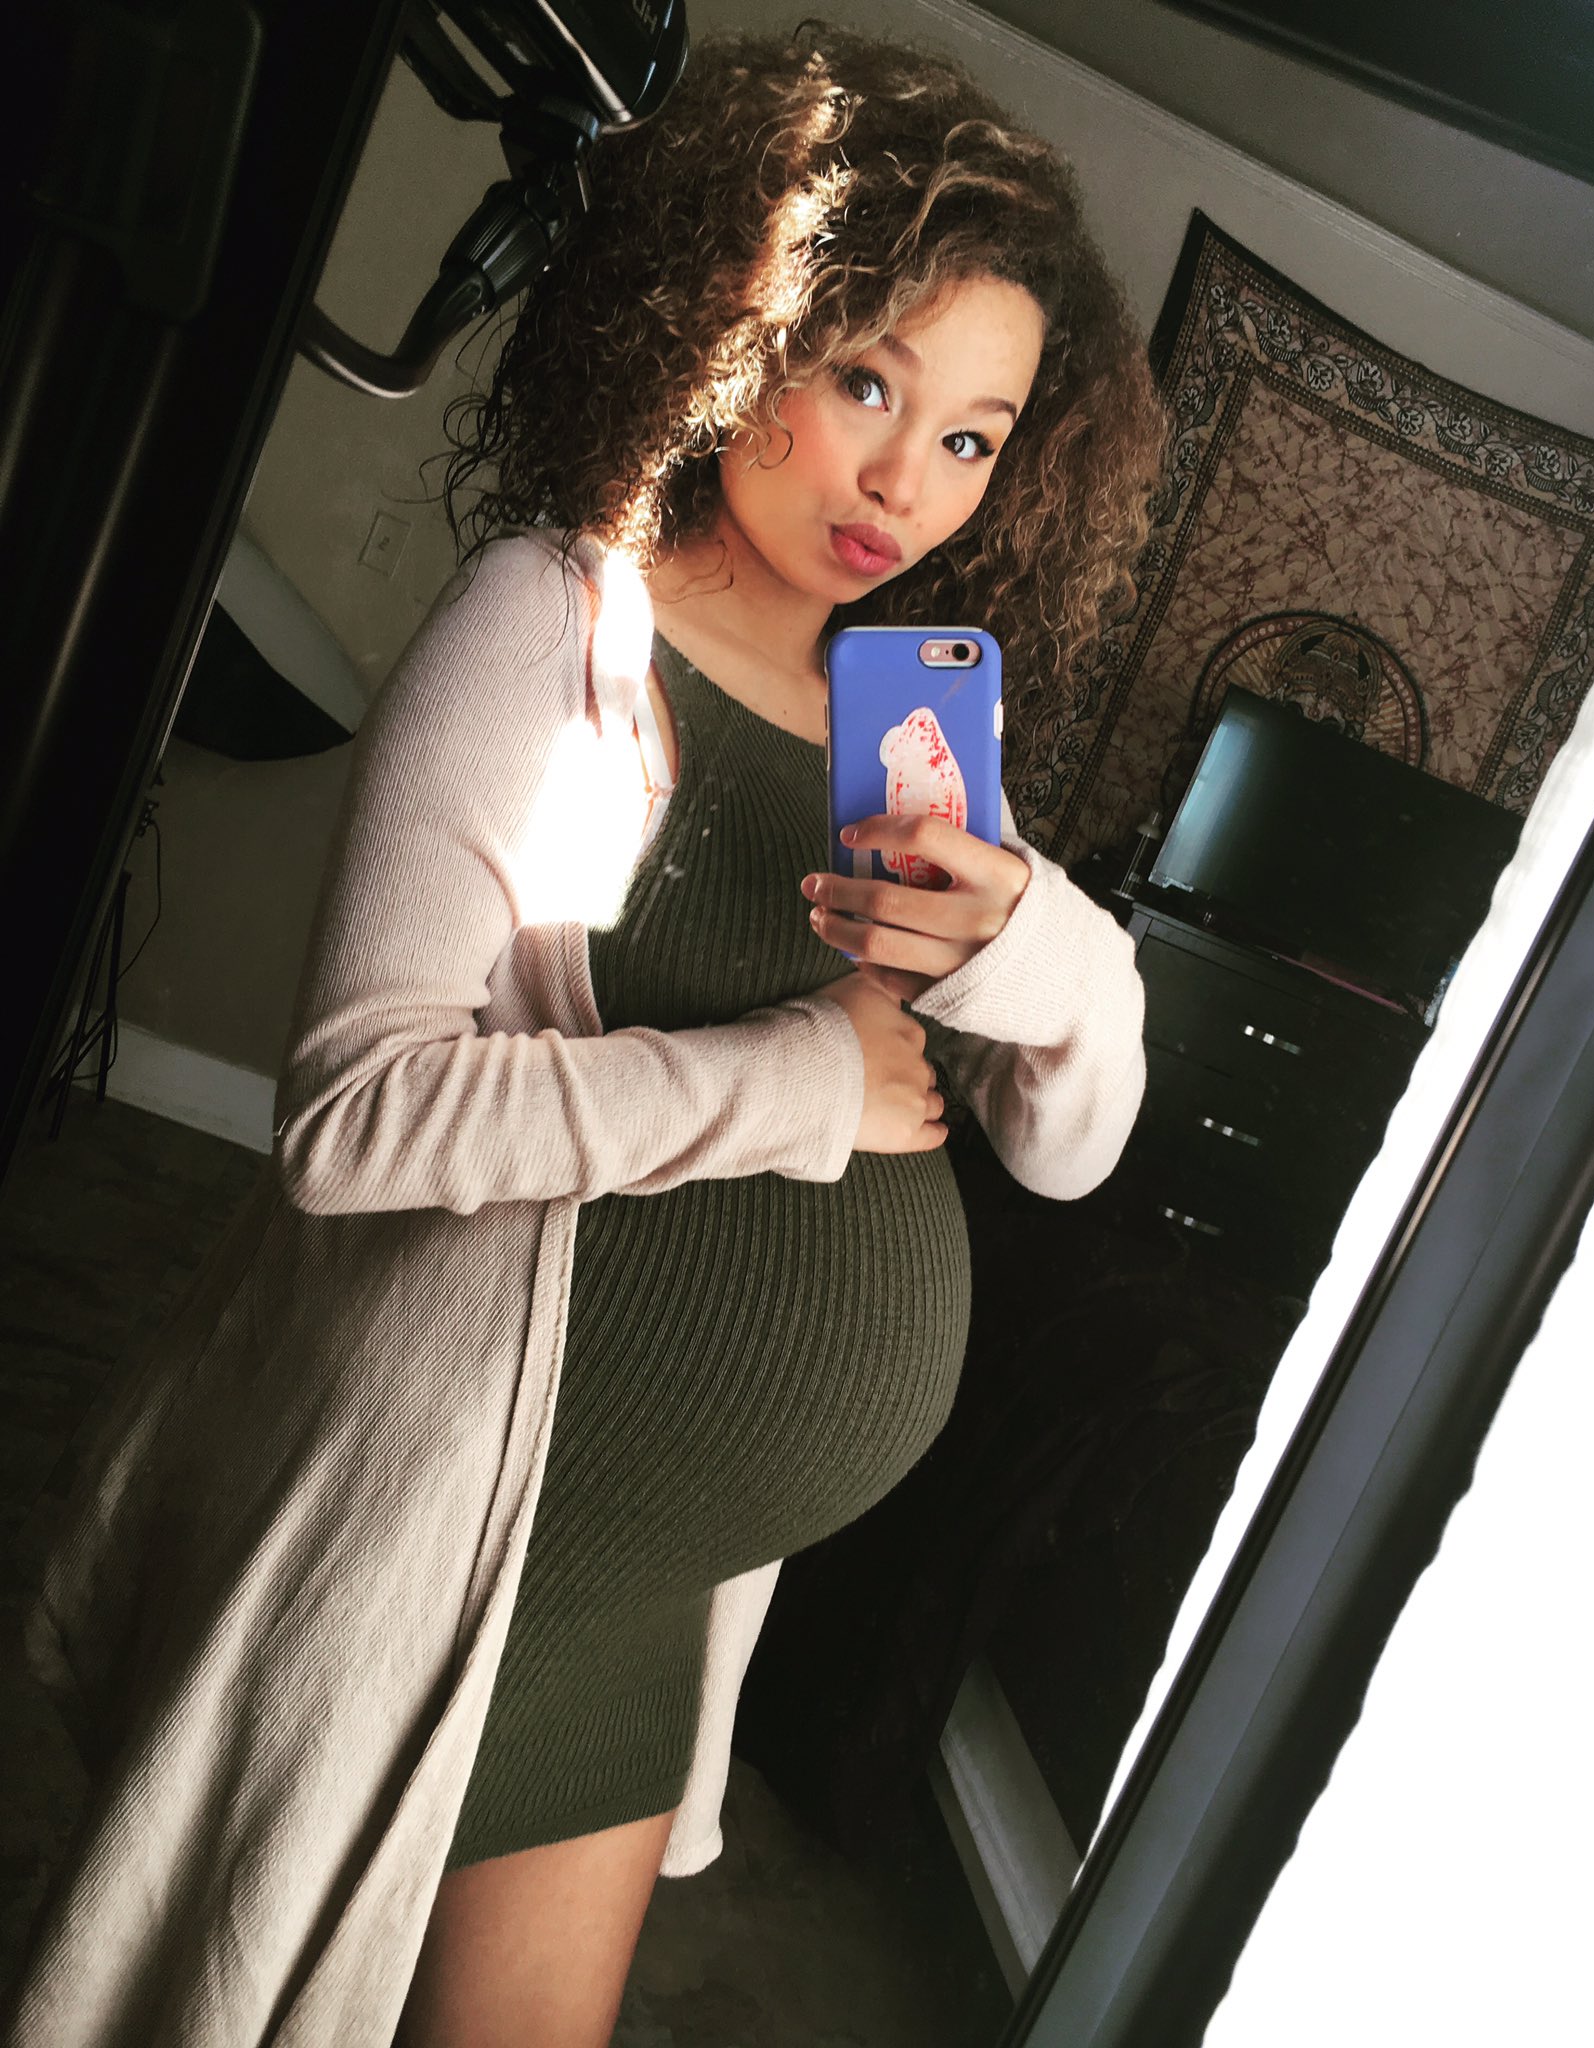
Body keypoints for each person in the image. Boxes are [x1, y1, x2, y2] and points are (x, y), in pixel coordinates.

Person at [6, 25, 1164, 2048]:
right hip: (470, 1538)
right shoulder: (553, 620)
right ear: (735, 324)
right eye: (867, 381)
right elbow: (360, 1115)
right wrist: (797, 1080)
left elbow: (1067, 1148)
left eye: (975, 437)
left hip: (641, 1583)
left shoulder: (905, 725)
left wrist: (1033, 945)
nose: (904, 481)